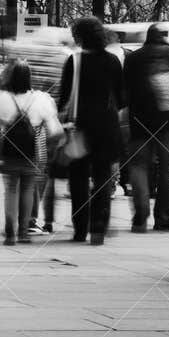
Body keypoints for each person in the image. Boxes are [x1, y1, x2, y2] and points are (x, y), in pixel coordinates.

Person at [57, 16, 124, 245]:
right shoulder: (114, 61)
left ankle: (79, 228)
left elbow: (64, 97)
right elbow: (122, 98)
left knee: (78, 178)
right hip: (106, 126)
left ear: (80, 37)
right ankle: (98, 226)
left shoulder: (74, 62)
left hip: (80, 126)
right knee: (103, 176)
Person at [123, 23, 169, 232]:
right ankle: (164, 218)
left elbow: (124, 91)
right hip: (167, 121)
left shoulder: (133, 58)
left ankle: (140, 217)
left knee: (139, 166)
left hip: (140, 120)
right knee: (168, 169)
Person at [0, 61, 62, 244]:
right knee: (29, 189)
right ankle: (23, 231)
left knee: (11, 190)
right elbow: (55, 130)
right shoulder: (41, 98)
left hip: (8, 151)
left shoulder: (0, 97)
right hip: (32, 152)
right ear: (30, 78)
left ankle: (10, 231)